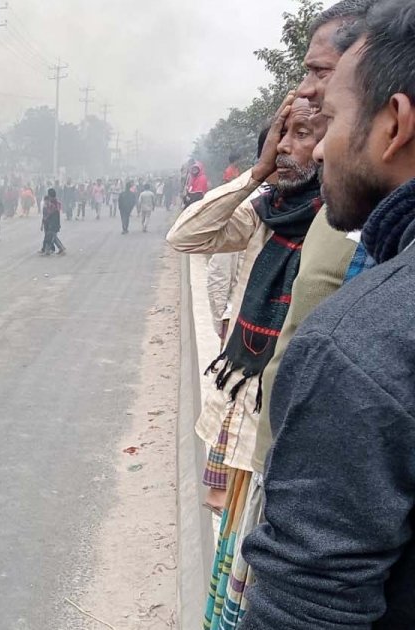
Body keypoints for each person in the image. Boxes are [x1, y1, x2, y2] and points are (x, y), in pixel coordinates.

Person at [241, 3, 415, 626]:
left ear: (393, 125)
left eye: (333, 116)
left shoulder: (358, 344)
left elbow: (308, 604)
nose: (313, 152)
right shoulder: (296, 211)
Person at [167, 96, 324, 517]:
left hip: (288, 423)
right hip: (242, 404)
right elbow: (185, 236)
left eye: (302, 134)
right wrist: (256, 175)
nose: (284, 147)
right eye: (280, 134)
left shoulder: (342, 226)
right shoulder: (265, 211)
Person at [41, 188, 64, 255]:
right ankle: (60, 248)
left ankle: (47, 250)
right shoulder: (55, 203)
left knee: (50, 236)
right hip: (51, 223)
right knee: (52, 236)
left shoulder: (54, 204)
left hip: (53, 223)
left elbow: (51, 213)